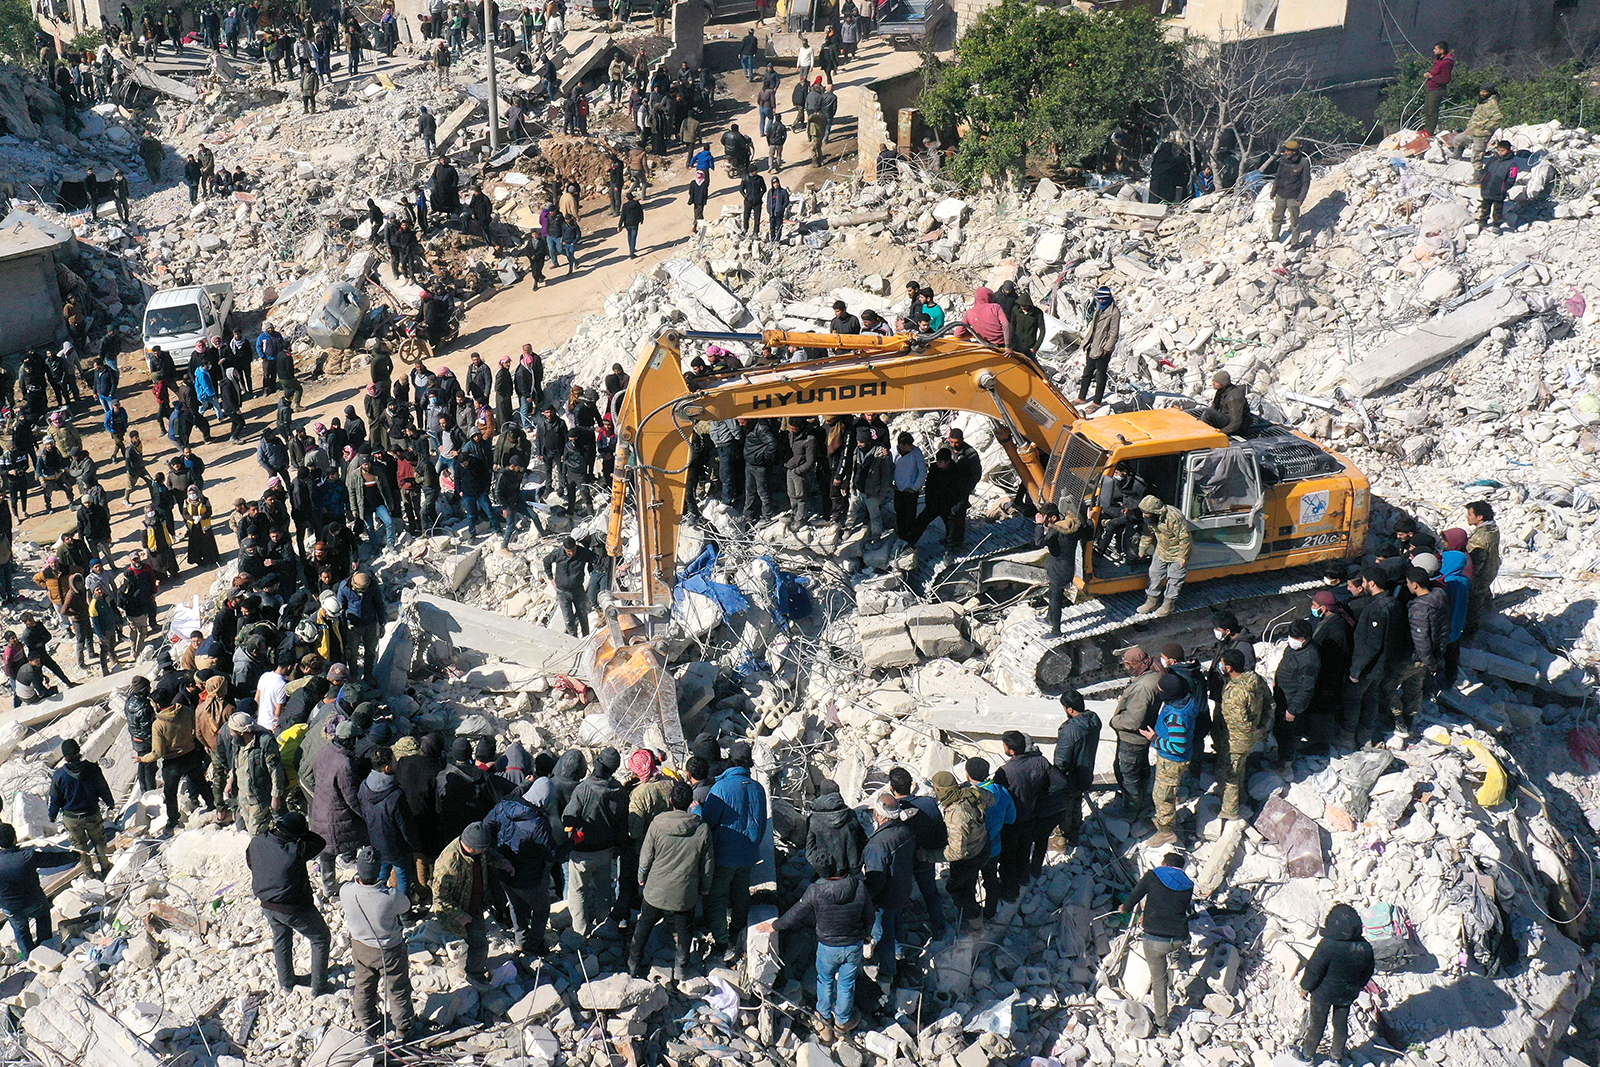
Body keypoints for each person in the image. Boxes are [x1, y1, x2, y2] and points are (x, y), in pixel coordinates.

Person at [760, 846, 874, 1044]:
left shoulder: (815, 890)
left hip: (828, 946)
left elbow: (795, 915)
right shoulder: (859, 886)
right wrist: (865, 935)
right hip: (853, 944)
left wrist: (774, 926)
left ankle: (823, 1023)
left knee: (825, 980)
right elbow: (870, 915)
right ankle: (842, 1025)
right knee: (847, 985)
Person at [629, 780, 711, 978]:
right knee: (684, 929)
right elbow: (707, 864)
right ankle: (682, 967)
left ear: (671, 800)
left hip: (656, 888)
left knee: (645, 923)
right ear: (690, 802)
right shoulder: (702, 828)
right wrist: (704, 887)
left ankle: (633, 961)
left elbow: (646, 854)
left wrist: (641, 876)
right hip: (685, 890)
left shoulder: (657, 824)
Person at [248, 812, 331, 994]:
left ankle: (286, 982)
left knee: (281, 938)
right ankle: (319, 987)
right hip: (293, 907)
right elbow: (320, 842)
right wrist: (303, 834)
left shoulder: (257, 842)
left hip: (267, 904)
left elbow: (250, 862)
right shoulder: (296, 851)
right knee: (320, 938)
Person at [701, 740, 767, 964]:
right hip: (748, 853)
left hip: (723, 854)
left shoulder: (720, 789)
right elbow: (762, 824)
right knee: (741, 893)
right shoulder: (758, 788)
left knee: (717, 897)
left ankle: (722, 941)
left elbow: (708, 821)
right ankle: (738, 929)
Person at [341, 846, 415, 1041]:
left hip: (361, 947)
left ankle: (367, 1024)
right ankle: (403, 1030)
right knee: (397, 989)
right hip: (389, 950)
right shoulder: (390, 896)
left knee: (363, 986)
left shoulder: (346, 891)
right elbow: (405, 906)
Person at [483, 774, 559, 956]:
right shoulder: (539, 823)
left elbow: (486, 825)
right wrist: (573, 841)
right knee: (541, 909)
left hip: (504, 869)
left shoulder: (505, 805)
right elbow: (552, 854)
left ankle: (520, 941)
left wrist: (498, 851)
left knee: (516, 905)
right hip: (530, 876)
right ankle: (534, 945)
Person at [1120, 852, 1192, 1033]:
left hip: (1154, 938)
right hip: (1179, 938)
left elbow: (1135, 895)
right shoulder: (1188, 884)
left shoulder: (1153, 875)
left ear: (1165, 863)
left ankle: (1162, 1025)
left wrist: (1125, 908)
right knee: (1174, 944)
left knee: (1160, 982)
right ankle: (1175, 960)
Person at [431, 821, 511, 984]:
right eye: (482, 848)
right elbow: (439, 897)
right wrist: (460, 916)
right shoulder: (448, 863)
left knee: (477, 940)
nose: (485, 850)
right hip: (461, 909)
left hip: (475, 903)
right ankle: (474, 974)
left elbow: (489, 855)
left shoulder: (477, 850)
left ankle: (469, 964)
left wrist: (504, 863)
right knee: (480, 944)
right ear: (471, 846)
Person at [1300, 904, 1376, 1063]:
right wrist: (1357, 986)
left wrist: (1305, 987)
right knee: (1340, 1026)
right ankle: (1336, 1058)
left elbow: (1314, 970)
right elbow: (1367, 973)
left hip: (1322, 993)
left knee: (1317, 1026)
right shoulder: (1365, 947)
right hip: (1346, 995)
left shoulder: (1327, 945)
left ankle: (1306, 1056)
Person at [563, 746, 626, 937]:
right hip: (606, 850)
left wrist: (568, 835)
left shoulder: (583, 789)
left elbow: (569, 817)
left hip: (582, 850)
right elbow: (622, 824)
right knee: (604, 889)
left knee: (578, 891)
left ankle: (580, 930)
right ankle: (603, 925)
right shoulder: (619, 791)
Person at [861, 792, 915, 989]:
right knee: (896, 922)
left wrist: (865, 900)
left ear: (880, 814)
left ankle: (888, 972)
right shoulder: (905, 831)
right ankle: (900, 953)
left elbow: (875, 879)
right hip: (902, 888)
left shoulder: (877, 845)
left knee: (882, 934)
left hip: (884, 897)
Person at [0, 823, 77, 956]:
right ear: (15, 838)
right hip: (34, 899)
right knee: (42, 918)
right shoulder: (27, 855)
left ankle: (29, 958)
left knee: (20, 931)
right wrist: (74, 855)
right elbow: (52, 860)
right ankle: (45, 950)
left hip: (10, 907)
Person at [147, 693, 216, 833]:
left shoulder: (158, 724)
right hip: (190, 754)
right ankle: (213, 805)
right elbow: (196, 730)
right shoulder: (186, 711)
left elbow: (158, 752)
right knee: (200, 782)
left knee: (170, 793)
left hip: (172, 762)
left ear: (158, 705)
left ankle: (173, 821)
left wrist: (143, 759)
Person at [1145, 673, 1198, 847]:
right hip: (1176, 759)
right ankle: (1164, 817)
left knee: (1162, 796)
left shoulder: (1176, 717)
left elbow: (1177, 746)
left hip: (1172, 760)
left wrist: (1154, 739)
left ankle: (1166, 832)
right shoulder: (1185, 700)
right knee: (1167, 791)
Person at [48, 738, 115, 877]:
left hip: (72, 818)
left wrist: (52, 815)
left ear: (65, 756)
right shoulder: (92, 768)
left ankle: (89, 872)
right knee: (99, 841)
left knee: (80, 847)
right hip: (92, 814)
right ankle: (105, 867)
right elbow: (103, 788)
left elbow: (55, 799)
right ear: (79, 751)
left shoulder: (59, 775)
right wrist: (110, 802)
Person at [359, 745, 420, 898]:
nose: (396, 764)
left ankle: (377, 898)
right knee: (403, 877)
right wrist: (414, 845)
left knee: (381, 871)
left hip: (375, 841)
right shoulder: (395, 796)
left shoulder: (364, 787)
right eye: (394, 761)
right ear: (387, 768)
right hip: (396, 848)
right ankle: (404, 911)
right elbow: (406, 826)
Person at [1216, 649, 1269, 822]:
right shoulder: (1255, 679)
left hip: (1236, 740)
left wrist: (1243, 736)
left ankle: (1230, 810)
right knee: (1241, 766)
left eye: (1223, 664)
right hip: (1251, 735)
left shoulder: (1235, 693)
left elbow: (1238, 723)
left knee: (1231, 772)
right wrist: (1261, 728)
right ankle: (1242, 795)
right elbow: (1270, 703)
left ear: (1229, 668)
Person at [1110, 647, 1160, 822]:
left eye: (1127, 664)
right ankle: (1141, 798)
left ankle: (1130, 810)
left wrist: (1114, 721)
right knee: (1140, 768)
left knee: (1127, 773)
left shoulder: (1142, 688)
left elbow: (1133, 721)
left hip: (1133, 738)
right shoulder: (1154, 674)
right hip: (1143, 735)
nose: (1126, 668)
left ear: (1135, 664)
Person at [1399, 565, 1448, 736]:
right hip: (1432, 654)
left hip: (1417, 657)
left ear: (1415, 585)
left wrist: (1430, 663)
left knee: (1388, 687)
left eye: (1408, 583)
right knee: (1415, 689)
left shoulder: (1420, 608)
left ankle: (1399, 720)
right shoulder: (1440, 597)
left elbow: (1421, 640)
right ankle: (1409, 718)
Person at [219, 711, 287, 833]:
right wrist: (230, 781)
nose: (229, 733)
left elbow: (276, 770)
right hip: (243, 797)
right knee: (246, 828)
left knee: (256, 833)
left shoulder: (265, 743)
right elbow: (236, 764)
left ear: (241, 732)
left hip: (259, 798)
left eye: (232, 730)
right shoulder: (237, 742)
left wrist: (275, 797)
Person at [1052, 690, 1099, 850]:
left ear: (1070, 709)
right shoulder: (1093, 720)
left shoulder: (1070, 730)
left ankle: (1061, 840)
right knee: (1077, 802)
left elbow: (1062, 760)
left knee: (1064, 807)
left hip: (1070, 776)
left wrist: (1054, 778)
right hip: (1085, 772)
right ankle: (1074, 835)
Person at [1272, 619, 1321, 768]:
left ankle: (1286, 762)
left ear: (1306, 639)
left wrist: (1293, 710)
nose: (1292, 640)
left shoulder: (1309, 659)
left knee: (1288, 734)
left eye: (1297, 638)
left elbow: (1306, 689)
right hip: (1282, 697)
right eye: (1291, 636)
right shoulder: (1293, 648)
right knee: (1279, 731)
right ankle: (1281, 753)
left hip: (1291, 703)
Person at [1135, 494, 1192, 617]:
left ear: (1155, 512)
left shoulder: (1173, 517)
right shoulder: (1151, 518)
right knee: (1154, 574)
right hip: (1162, 549)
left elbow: (1185, 539)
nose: (1144, 515)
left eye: (1147, 513)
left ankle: (1168, 604)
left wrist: (1182, 557)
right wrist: (1142, 549)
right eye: (1143, 512)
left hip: (1178, 552)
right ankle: (1152, 601)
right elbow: (1147, 533)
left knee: (1175, 579)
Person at [1035, 503, 1084, 637]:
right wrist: (1091, 518)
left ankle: (1056, 630)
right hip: (1063, 567)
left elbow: (1039, 542)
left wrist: (1039, 525)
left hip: (1059, 571)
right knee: (1052, 594)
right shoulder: (1073, 527)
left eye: (1045, 518)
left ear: (1054, 518)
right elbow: (1088, 529)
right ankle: (1049, 618)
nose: (1043, 520)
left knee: (1056, 600)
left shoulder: (1056, 532)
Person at [1463, 500, 1500, 637]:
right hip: (1491, 568)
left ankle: (1470, 633)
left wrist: (1468, 579)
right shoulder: (1492, 529)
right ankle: (1489, 608)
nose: (1467, 517)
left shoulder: (1480, 538)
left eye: (1470, 514)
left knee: (1473, 603)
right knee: (1484, 592)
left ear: (1480, 517)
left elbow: (1475, 563)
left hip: (1481, 574)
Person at [1078, 287, 1119, 406]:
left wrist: (1106, 349)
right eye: (1099, 299)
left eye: (1103, 299)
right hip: (1093, 345)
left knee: (1100, 376)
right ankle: (1082, 397)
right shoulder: (1099, 308)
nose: (1101, 301)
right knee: (1087, 373)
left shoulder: (1114, 312)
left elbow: (1113, 333)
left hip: (1102, 349)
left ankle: (1097, 402)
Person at [1270, 140, 1312, 244]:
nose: (1286, 152)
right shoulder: (1283, 160)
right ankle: (1274, 238)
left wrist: (1300, 199)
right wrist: (1273, 191)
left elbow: (1306, 182)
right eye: (1286, 150)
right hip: (1281, 195)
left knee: (1294, 221)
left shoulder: (1303, 162)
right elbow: (1278, 177)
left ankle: (1295, 242)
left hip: (1293, 197)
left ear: (1294, 151)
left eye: (1288, 150)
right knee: (1277, 217)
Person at [1462, 85, 1503, 183]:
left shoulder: (1491, 102)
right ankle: (1457, 156)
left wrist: (1486, 127)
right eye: (1482, 91)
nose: (1482, 93)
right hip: (1473, 131)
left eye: (1485, 92)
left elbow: (1498, 117)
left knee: (1476, 154)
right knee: (1458, 140)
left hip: (1482, 134)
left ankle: (1477, 176)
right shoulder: (1482, 100)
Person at [1478, 139, 1518, 232]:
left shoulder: (1512, 165)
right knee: (1485, 206)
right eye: (1499, 150)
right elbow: (1484, 171)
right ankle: (1483, 221)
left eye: (1502, 151)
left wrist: (1503, 188)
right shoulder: (1493, 160)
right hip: (1487, 188)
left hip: (1499, 191)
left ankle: (1496, 225)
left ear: (1508, 151)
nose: (1500, 152)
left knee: (1498, 210)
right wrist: (1482, 181)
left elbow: (1511, 179)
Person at [1196, 369, 1248, 435]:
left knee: (1208, 413)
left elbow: (1236, 423)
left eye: (1216, 382)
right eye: (1213, 380)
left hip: (1237, 427)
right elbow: (1214, 408)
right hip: (1226, 418)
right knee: (1208, 412)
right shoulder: (1221, 391)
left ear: (1223, 384)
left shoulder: (1234, 398)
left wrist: (1221, 432)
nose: (1213, 383)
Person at [1421, 40, 1454, 135]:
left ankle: (1429, 131)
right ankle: (1426, 128)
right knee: (1427, 109)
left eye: (1436, 49)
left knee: (1432, 110)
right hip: (1431, 88)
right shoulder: (1439, 60)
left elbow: (1445, 79)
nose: (1434, 50)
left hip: (1437, 89)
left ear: (1442, 50)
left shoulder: (1447, 62)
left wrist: (1432, 77)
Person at [620, 190, 644, 258]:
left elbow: (623, 216)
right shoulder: (637, 204)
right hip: (635, 223)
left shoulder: (625, 206)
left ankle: (631, 249)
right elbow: (640, 212)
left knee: (629, 236)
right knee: (633, 237)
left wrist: (619, 225)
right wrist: (641, 219)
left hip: (627, 223)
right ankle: (632, 253)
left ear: (627, 198)